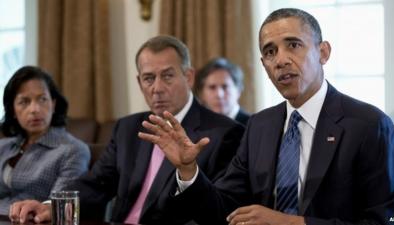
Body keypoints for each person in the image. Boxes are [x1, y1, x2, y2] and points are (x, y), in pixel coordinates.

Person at [137, 8, 394, 225]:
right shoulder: (259, 126)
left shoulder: (368, 125)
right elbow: (222, 211)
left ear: (323, 52)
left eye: (293, 45)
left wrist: (291, 223)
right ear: (264, 64)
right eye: (270, 52)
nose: (281, 60)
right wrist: (188, 170)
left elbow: (387, 220)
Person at [9, 35, 244, 224]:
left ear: (189, 76)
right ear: (139, 82)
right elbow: (95, 185)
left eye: (168, 76)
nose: (157, 88)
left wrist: (188, 172)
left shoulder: (224, 133)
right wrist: (50, 205)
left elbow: (221, 213)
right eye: (149, 78)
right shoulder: (128, 128)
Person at [0, 66, 90, 215]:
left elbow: (60, 207)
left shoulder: (72, 150)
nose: (34, 109)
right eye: (24, 101)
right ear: (13, 110)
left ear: (53, 104)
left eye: (42, 99)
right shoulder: (3, 147)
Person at [194, 57, 250, 125]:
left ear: (238, 91)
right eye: (212, 87)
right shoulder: (195, 125)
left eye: (225, 87)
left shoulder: (253, 125)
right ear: (201, 94)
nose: (219, 95)